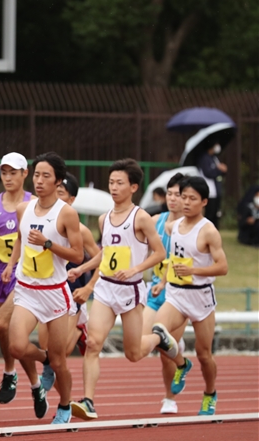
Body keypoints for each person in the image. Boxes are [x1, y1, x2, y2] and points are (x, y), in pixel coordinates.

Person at [70, 159, 166, 421]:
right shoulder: (104, 219)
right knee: (93, 343)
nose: (113, 187)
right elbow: (106, 255)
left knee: (133, 354)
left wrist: (136, 269)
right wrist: (82, 269)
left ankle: (158, 337)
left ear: (133, 187)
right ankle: (88, 401)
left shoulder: (141, 218)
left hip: (131, 291)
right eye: (111, 182)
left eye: (119, 183)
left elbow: (160, 253)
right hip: (105, 289)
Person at [2, 151, 84, 425]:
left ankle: (64, 405)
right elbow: (20, 240)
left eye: (45, 176)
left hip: (54, 293)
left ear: (58, 180)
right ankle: (43, 357)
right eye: (36, 175)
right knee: (16, 347)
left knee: (61, 362)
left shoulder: (67, 213)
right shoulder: (24, 208)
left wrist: (49, 243)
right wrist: (11, 264)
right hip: (26, 290)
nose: (39, 181)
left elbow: (77, 256)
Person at [139, 176, 229, 416]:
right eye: (183, 197)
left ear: (203, 202)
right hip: (176, 295)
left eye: (192, 199)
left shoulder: (209, 231)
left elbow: (222, 267)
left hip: (201, 297)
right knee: (159, 331)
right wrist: (163, 282)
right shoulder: (172, 227)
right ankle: (181, 363)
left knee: (204, 354)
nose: (186, 202)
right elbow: (173, 260)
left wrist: (194, 271)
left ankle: (210, 393)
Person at [0, 153, 43, 416]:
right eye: (4, 172)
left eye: (13, 172)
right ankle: (36, 384)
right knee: (14, 338)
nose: (7, 177)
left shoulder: (35, 204)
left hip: (25, 275)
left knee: (0, 323)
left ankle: (8, 371)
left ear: (25, 174)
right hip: (0, 276)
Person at [39, 173, 100, 391]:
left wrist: (88, 287)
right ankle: (51, 369)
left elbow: (100, 260)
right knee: (44, 344)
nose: (55, 197)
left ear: (72, 200)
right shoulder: (41, 222)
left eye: (61, 194)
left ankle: (77, 332)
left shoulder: (81, 231)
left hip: (71, 292)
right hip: (43, 288)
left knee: (61, 350)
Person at [144, 172, 187, 414]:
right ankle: (180, 355)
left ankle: (169, 397)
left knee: (163, 349)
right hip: (155, 292)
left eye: (178, 195)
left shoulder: (192, 227)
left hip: (180, 294)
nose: (172, 199)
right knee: (143, 345)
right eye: (169, 194)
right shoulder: (155, 221)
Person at [197, 143, 227, 229]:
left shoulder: (214, 158)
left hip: (217, 190)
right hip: (210, 191)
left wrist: (223, 170)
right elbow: (208, 173)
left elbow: (219, 172)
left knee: (216, 213)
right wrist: (218, 169)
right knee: (210, 213)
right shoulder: (204, 158)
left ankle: (215, 230)